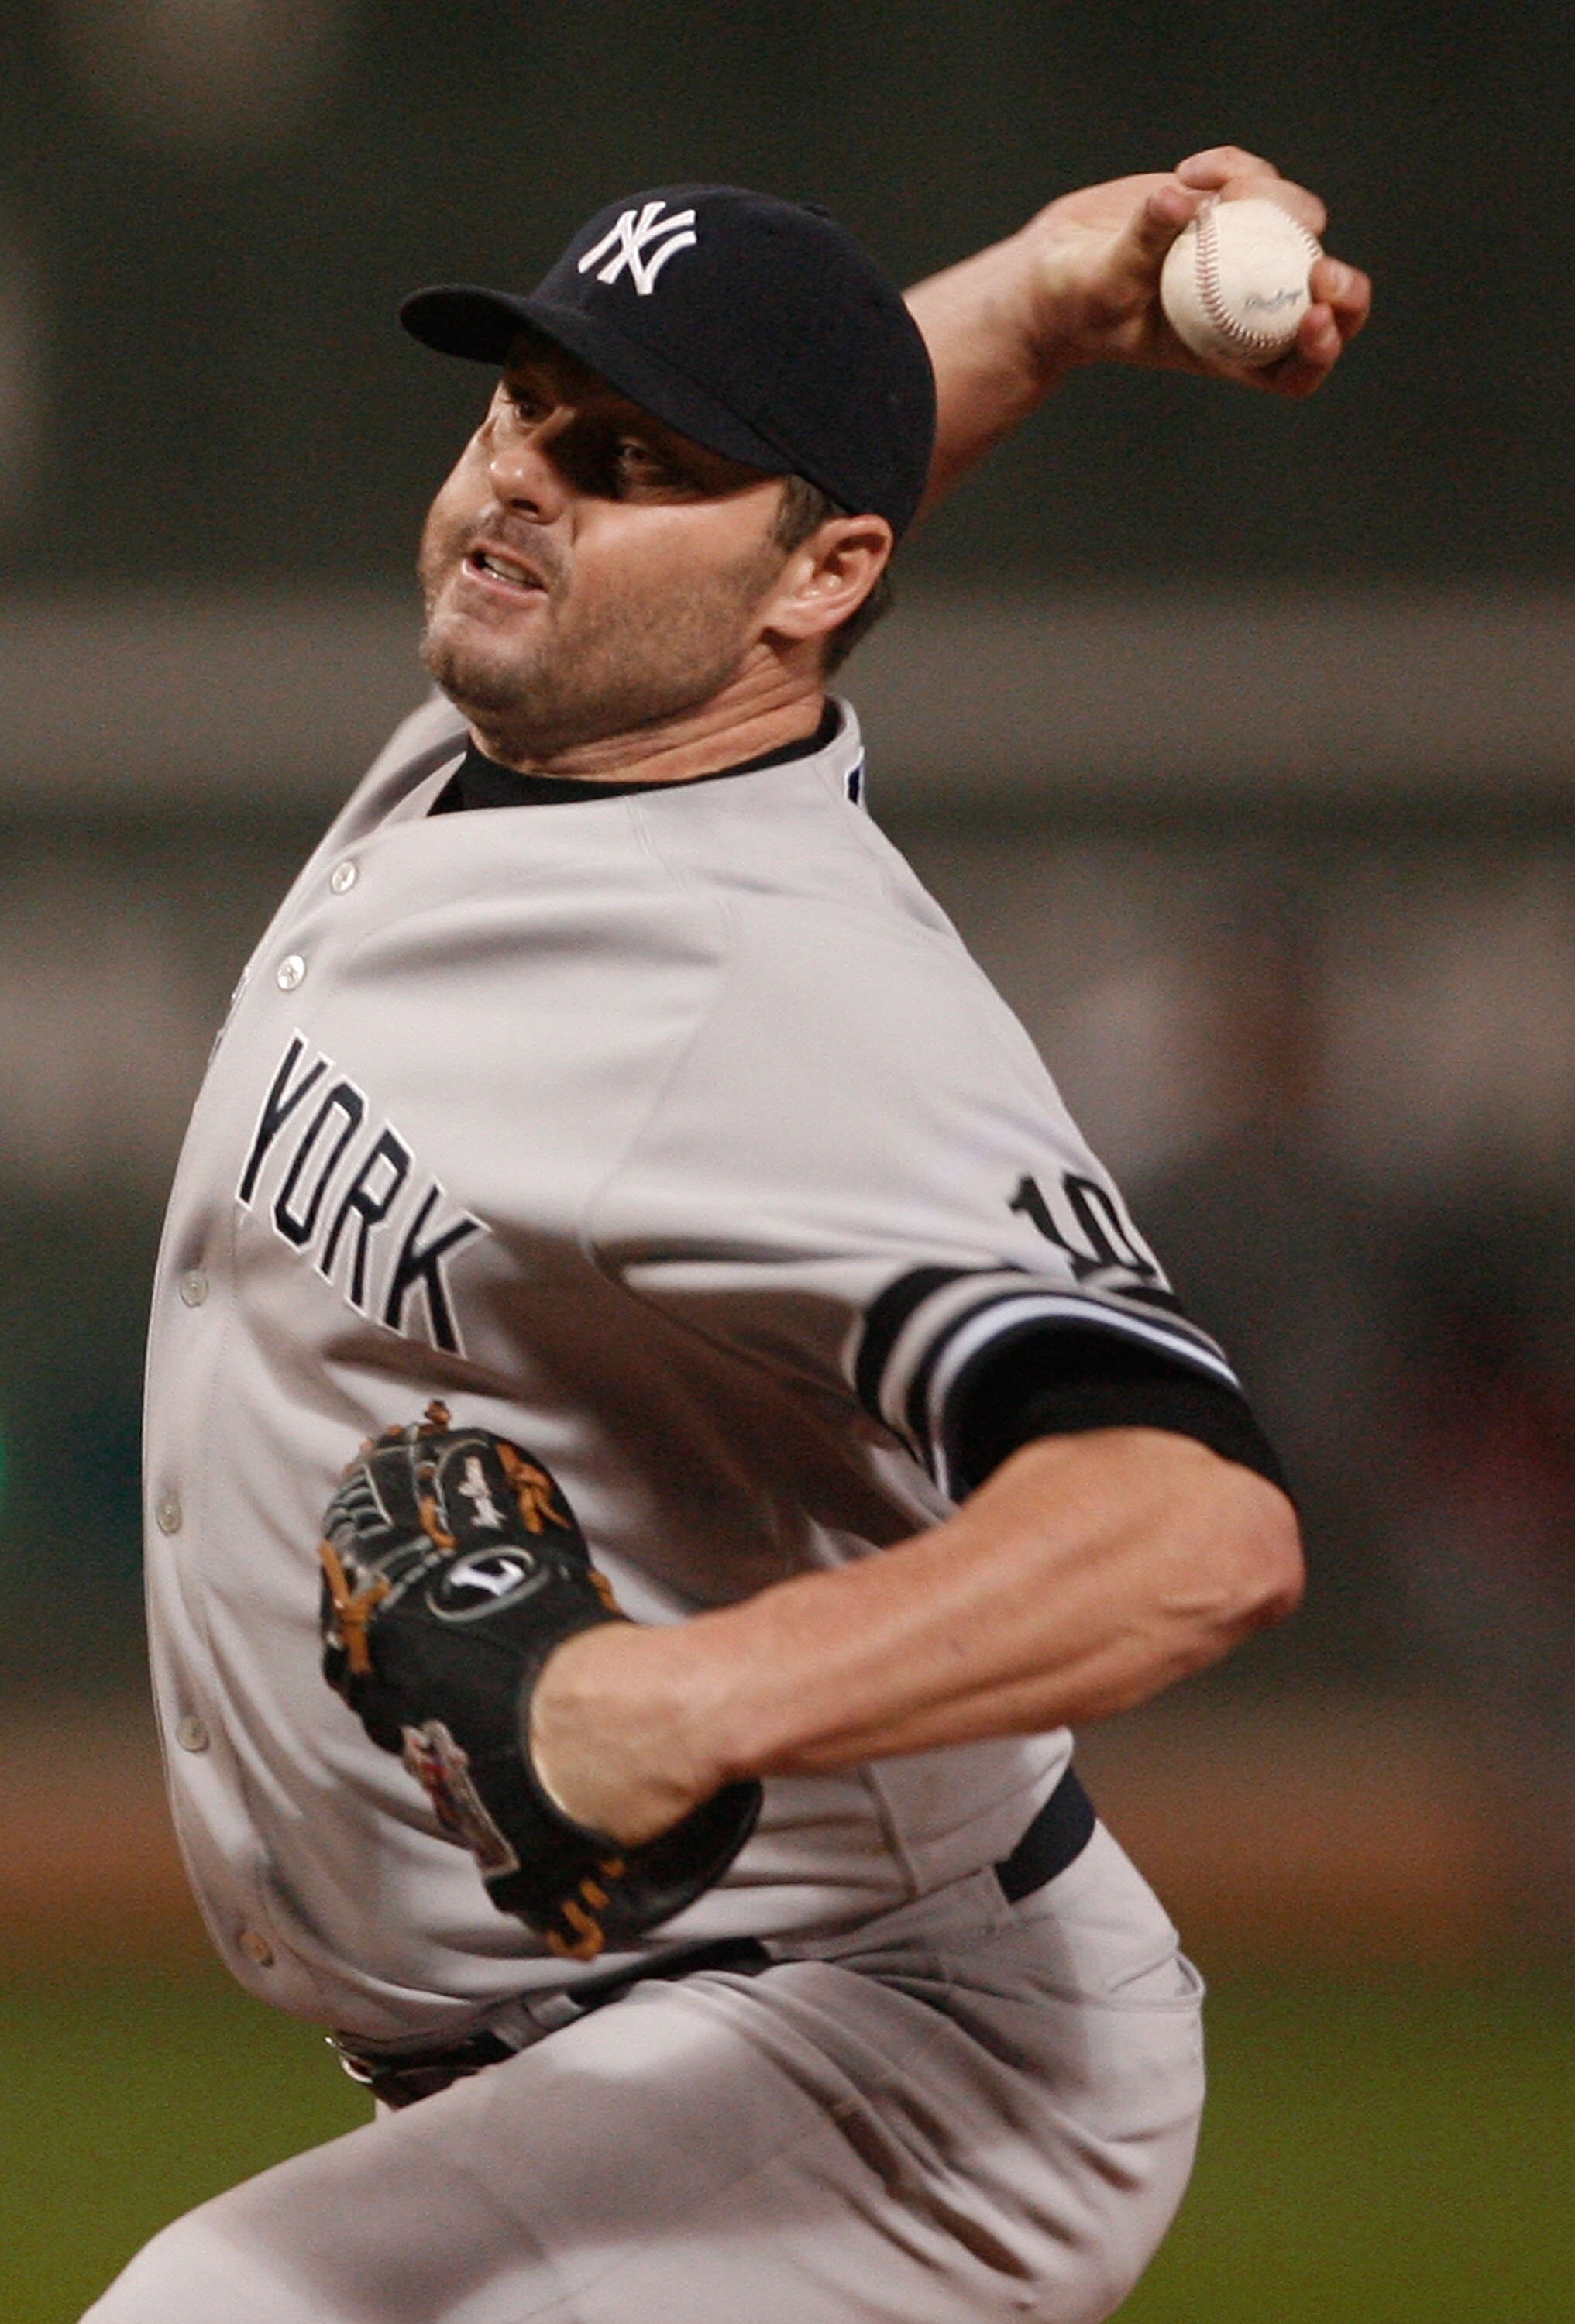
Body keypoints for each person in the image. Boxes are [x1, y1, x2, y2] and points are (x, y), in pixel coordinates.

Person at [88, 152, 1367, 2324]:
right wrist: (1046, 309)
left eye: (623, 457)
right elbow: (784, 488)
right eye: (523, 402)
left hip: (892, 2047)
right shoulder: (523, 730)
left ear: (816, 580)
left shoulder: (773, 1000)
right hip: (666, 2036)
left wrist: (655, 1708)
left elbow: (1188, 1523)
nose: (523, 486)